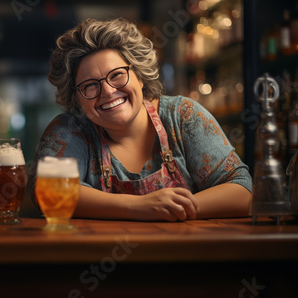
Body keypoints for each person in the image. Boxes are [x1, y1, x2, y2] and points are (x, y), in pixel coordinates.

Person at [30, 18, 252, 221]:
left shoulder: (183, 116)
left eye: (117, 74)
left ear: (140, 76)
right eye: (90, 85)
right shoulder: (69, 130)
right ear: (77, 98)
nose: (107, 92)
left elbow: (242, 191)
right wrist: (138, 207)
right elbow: (49, 192)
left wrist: (171, 209)